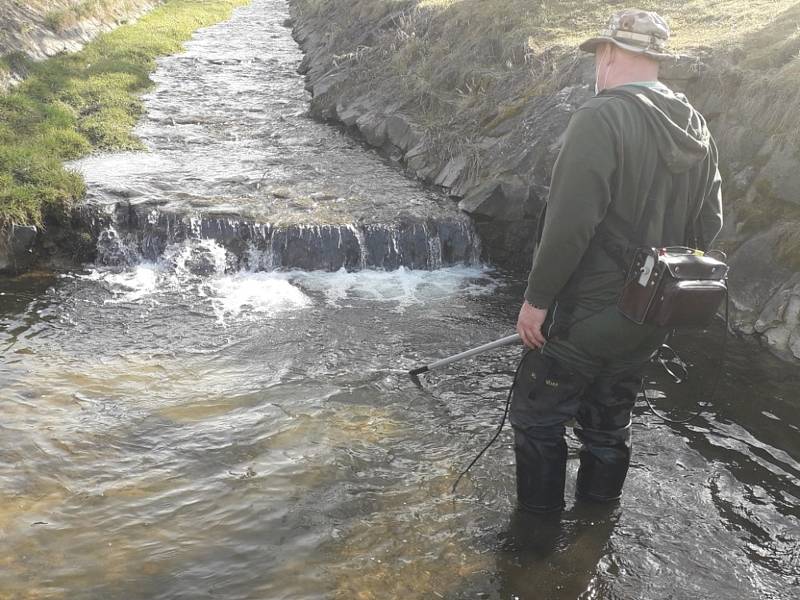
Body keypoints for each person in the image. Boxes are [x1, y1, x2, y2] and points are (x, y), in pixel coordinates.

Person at [511, 9, 723, 513]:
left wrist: (536, 302)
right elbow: (709, 228)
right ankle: (594, 530)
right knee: (608, 425)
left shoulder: (600, 116)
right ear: (656, 59)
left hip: (586, 314)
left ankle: (535, 546)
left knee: (536, 418)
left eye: (598, 56)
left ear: (607, 54)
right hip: (654, 313)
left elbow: (569, 225)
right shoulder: (695, 124)